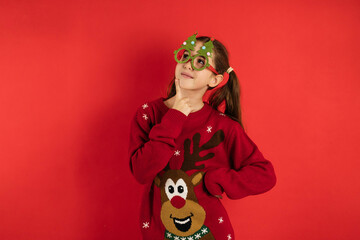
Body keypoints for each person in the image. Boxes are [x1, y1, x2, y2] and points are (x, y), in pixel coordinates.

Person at [128, 33, 277, 240]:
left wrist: (216, 179)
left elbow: (265, 175)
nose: (189, 64)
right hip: (160, 233)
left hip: (210, 233)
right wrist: (176, 117)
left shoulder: (224, 127)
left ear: (214, 79)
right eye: (185, 56)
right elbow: (142, 172)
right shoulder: (148, 114)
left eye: (200, 61)